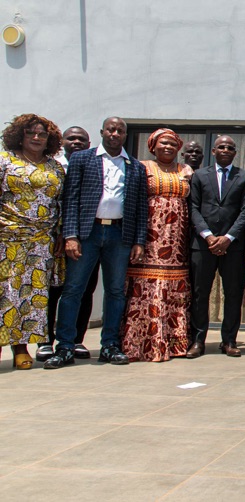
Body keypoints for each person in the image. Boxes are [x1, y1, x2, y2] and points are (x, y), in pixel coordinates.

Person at [45, 117, 148, 369]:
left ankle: (110, 345)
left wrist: (139, 241)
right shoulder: (82, 159)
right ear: (102, 132)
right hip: (87, 233)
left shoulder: (135, 166)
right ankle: (65, 347)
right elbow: (70, 200)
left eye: (120, 131)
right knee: (73, 290)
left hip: (119, 236)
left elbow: (141, 207)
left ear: (125, 135)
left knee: (115, 292)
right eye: (110, 129)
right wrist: (70, 236)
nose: (115, 134)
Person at [121, 128, 193, 362]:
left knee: (174, 289)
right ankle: (141, 344)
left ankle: (174, 344)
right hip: (149, 237)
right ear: (153, 146)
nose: (168, 147)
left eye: (173, 144)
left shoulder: (185, 170)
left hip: (177, 240)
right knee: (147, 289)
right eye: (163, 143)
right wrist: (137, 239)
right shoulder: (142, 168)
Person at [0, 114, 66, 370]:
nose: (37, 138)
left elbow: (61, 204)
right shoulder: (6, 161)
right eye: (31, 133)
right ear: (20, 136)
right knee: (6, 294)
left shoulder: (55, 167)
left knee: (31, 296)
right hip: (8, 239)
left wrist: (60, 233)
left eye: (42, 134)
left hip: (41, 243)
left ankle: (21, 348)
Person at [187, 135, 245, 358]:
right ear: (213, 151)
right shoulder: (199, 175)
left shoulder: (244, 177)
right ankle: (197, 341)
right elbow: (193, 208)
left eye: (230, 148)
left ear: (235, 153)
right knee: (199, 294)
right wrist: (208, 236)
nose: (226, 150)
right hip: (202, 245)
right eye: (221, 147)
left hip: (232, 246)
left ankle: (229, 341)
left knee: (234, 294)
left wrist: (228, 237)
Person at [40, 126, 95, 363]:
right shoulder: (52, 167)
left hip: (85, 238)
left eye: (81, 139)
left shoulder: (93, 165)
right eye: (71, 138)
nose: (76, 142)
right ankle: (45, 341)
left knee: (85, 289)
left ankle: (76, 339)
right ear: (62, 142)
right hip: (52, 238)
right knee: (53, 290)